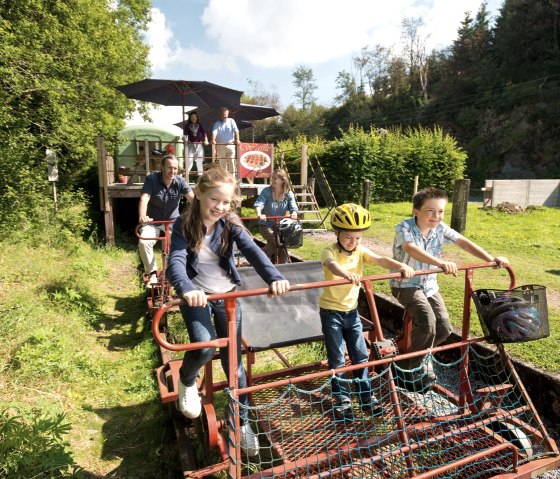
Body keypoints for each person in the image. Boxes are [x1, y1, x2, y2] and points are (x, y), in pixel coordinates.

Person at [166, 167, 290, 457]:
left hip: (228, 296)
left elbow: (254, 252)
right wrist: (186, 289)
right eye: (214, 200)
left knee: (234, 365)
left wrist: (274, 277)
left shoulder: (231, 223)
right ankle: (187, 380)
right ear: (199, 195)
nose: (219, 207)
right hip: (197, 295)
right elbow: (176, 260)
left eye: (225, 202)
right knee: (206, 347)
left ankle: (242, 422)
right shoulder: (183, 224)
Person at [390, 187, 509, 392]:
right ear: (416, 211)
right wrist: (440, 263)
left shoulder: (440, 228)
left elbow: (463, 242)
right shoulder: (404, 228)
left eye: (441, 211)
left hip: (429, 285)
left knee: (444, 327)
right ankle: (408, 368)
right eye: (430, 211)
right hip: (406, 284)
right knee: (428, 323)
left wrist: (491, 259)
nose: (436, 216)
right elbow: (411, 249)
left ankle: (417, 358)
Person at [320, 204, 415, 418]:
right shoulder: (329, 250)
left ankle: (365, 396)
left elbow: (379, 259)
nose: (353, 243)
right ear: (337, 233)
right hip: (330, 312)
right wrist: (345, 273)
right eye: (348, 238)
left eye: (358, 238)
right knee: (336, 357)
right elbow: (331, 264)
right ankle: (342, 398)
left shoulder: (360, 251)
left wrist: (399, 266)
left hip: (351, 312)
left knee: (361, 355)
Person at [138, 154, 194, 287]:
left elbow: (193, 199)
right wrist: (142, 216)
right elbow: (144, 198)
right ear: (162, 167)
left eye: (175, 168)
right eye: (169, 168)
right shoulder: (152, 179)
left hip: (173, 221)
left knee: (184, 242)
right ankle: (152, 274)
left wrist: (199, 214)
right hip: (153, 221)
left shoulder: (180, 181)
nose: (172, 171)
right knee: (143, 241)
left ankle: (179, 272)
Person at [254, 169, 299, 263]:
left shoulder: (288, 194)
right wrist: (259, 214)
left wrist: (294, 213)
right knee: (277, 242)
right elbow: (259, 203)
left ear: (282, 180)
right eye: (272, 178)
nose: (272, 180)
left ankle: (282, 266)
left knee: (281, 245)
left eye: (275, 178)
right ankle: (257, 260)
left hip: (280, 227)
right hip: (266, 225)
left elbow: (293, 207)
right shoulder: (267, 191)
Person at [211, 107, 240, 175]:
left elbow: (236, 131)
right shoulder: (217, 123)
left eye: (226, 114)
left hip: (230, 144)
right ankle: (224, 178)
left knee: (232, 161)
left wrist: (237, 139)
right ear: (220, 115)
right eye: (223, 114)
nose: (225, 116)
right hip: (220, 145)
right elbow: (214, 132)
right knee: (222, 162)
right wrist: (213, 140)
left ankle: (232, 178)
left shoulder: (231, 121)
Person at [183, 111, 209, 179]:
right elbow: (185, 135)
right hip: (190, 145)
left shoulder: (199, 125)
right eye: (192, 117)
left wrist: (206, 140)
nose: (193, 118)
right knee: (189, 161)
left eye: (195, 117)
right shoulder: (187, 126)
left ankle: (200, 178)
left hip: (199, 145)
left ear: (197, 118)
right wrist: (186, 140)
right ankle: (186, 177)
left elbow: (204, 133)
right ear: (190, 118)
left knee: (199, 161)